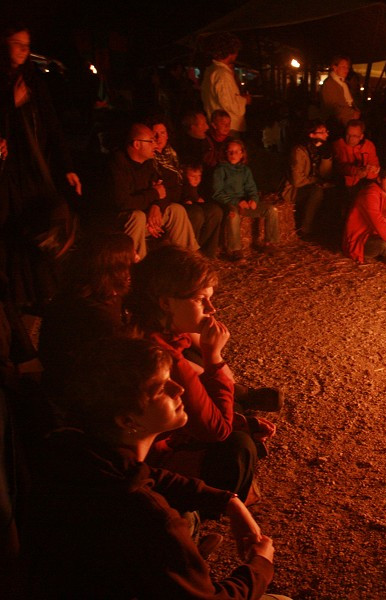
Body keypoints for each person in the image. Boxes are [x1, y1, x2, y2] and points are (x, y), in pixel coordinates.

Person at [21, 337, 281, 599]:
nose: (179, 389)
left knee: (188, 518)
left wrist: (227, 500)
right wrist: (260, 565)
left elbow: (144, 475)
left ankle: (185, 564)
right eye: (161, 388)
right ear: (127, 420)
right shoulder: (151, 518)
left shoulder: (71, 447)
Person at [127, 246, 274, 503]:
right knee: (238, 447)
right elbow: (217, 431)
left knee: (226, 399)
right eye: (200, 299)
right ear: (165, 301)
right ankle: (201, 506)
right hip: (152, 464)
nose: (212, 308)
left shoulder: (154, 328)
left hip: (163, 438)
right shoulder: (161, 356)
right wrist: (213, 356)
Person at [0, 24, 82, 307]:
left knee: (44, 224)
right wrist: (11, 103)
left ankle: (43, 292)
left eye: (27, 44)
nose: (24, 50)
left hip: (37, 166)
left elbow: (51, 125)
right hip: (10, 173)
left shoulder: (32, 78)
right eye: (17, 43)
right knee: (17, 229)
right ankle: (18, 295)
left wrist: (67, 167)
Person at [105, 123, 198, 259]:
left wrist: (156, 207)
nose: (155, 145)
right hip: (121, 221)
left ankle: (186, 260)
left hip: (146, 216)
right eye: (151, 141)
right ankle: (136, 266)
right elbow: (123, 203)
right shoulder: (117, 165)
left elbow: (163, 191)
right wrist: (153, 195)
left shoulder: (149, 163)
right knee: (138, 216)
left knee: (176, 210)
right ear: (137, 144)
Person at [212, 140, 279, 261]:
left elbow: (251, 188)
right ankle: (235, 250)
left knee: (270, 210)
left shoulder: (245, 170)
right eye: (230, 152)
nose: (233, 155)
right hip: (228, 203)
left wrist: (253, 199)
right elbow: (217, 193)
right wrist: (236, 201)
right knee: (233, 216)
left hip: (243, 203)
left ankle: (270, 243)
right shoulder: (220, 170)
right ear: (225, 154)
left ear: (242, 154)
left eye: (237, 152)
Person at [282, 120, 333, 240]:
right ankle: (305, 230)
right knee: (317, 192)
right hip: (295, 189)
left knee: (332, 190)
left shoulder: (320, 151)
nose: (326, 134)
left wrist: (326, 158)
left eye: (327, 131)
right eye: (322, 132)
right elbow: (297, 180)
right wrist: (316, 181)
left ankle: (327, 229)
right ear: (311, 135)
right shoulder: (299, 151)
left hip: (311, 183)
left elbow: (325, 175)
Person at [201, 32, 251, 136]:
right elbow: (228, 103)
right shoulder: (221, 74)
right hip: (228, 127)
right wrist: (245, 100)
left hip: (218, 124)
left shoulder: (212, 70)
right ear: (231, 51)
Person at [181, 164, 224, 259]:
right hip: (184, 207)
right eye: (193, 176)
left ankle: (208, 253)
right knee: (197, 214)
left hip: (195, 205)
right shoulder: (184, 186)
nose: (197, 179)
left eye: (199, 176)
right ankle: (191, 252)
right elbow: (186, 197)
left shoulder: (198, 187)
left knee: (216, 211)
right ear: (185, 176)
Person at [332, 119, 379, 189]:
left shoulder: (369, 145)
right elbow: (337, 167)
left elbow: (375, 167)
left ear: (361, 136)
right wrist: (356, 171)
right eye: (348, 135)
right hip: (344, 184)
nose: (350, 139)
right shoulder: (338, 145)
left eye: (354, 136)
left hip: (365, 183)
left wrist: (368, 172)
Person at [320, 55, 359, 129]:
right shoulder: (329, 84)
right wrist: (352, 113)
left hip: (348, 120)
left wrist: (356, 110)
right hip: (338, 124)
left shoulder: (344, 83)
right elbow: (333, 108)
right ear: (334, 67)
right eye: (343, 67)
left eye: (347, 67)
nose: (346, 70)